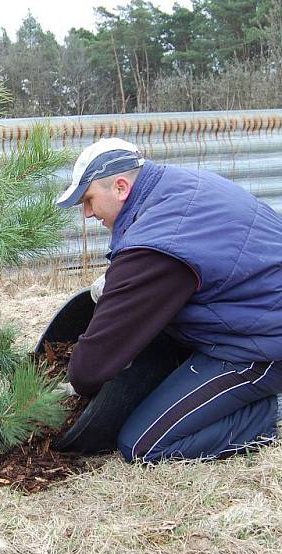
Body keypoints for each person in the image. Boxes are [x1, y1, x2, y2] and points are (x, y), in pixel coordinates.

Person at [55, 137, 282, 463]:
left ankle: (273, 411)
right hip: (250, 312)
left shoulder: (158, 243)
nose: (88, 213)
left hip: (263, 344)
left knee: (144, 444)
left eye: (89, 200)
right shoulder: (177, 185)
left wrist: (74, 382)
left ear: (120, 187)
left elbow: (91, 370)